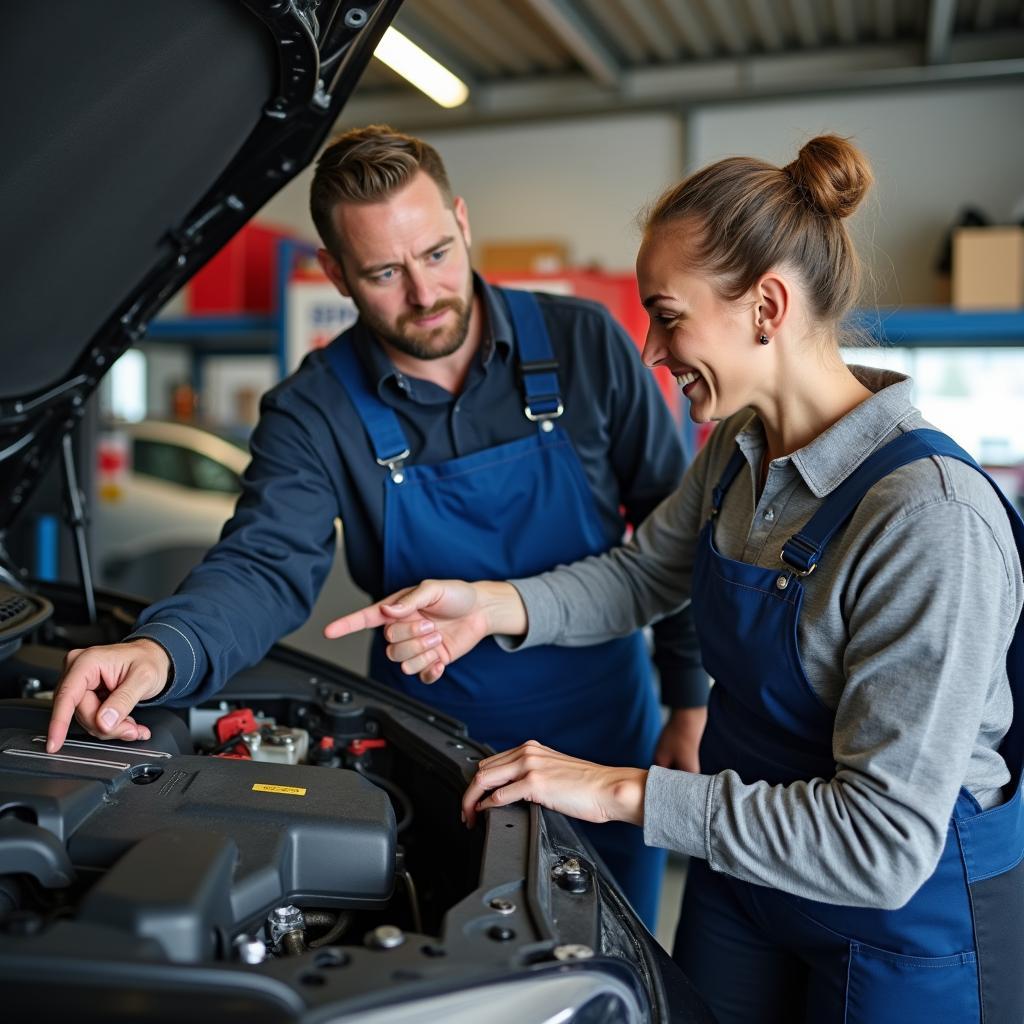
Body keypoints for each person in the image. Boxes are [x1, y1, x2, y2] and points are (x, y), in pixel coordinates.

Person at [325, 135, 1024, 1023]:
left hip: (900, 915)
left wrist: (617, 789)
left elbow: (882, 842)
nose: (651, 348)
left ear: (766, 306)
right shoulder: (737, 449)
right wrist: (488, 607)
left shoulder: (928, 517)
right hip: (746, 874)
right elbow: (641, 575)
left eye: (667, 314)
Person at [45, 124, 709, 930]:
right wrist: (162, 649)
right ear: (336, 274)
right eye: (386, 273)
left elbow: (680, 536)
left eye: (435, 253)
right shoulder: (315, 406)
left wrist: (688, 699)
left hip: (602, 730)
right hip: (435, 744)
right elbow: (263, 563)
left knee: (613, 956)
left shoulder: (586, 346)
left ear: (462, 223)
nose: (424, 293)